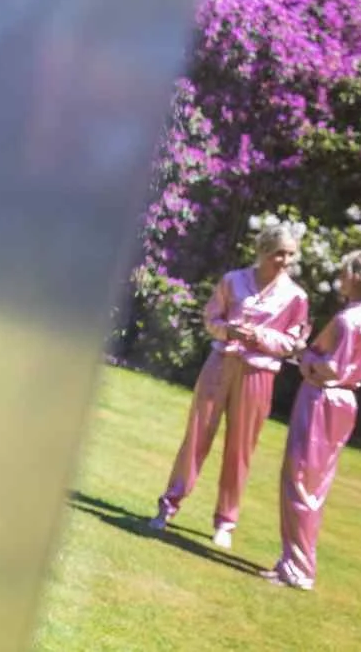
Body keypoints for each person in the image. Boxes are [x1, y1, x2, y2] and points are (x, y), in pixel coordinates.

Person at [149, 224, 311, 548]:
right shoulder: (233, 280)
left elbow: (294, 342)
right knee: (196, 437)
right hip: (219, 365)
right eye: (279, 252)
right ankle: (168, 506)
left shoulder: (296, 296)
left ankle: (226, 521)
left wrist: (260, 337)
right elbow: (211, 319)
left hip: (258, 374)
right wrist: (230, 331)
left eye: (290, 254)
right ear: (263, 250)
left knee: (240, 449)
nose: (285, 260)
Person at [265, 249, 361, 591]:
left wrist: (304, 356)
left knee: (300, 479)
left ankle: (297, 569)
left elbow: (330, 368)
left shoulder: (348, 319)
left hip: (323, 398)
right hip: (344, 403)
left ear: (357, 276)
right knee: (314, 482)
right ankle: (293, 562)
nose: (340, 276)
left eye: (345, 271)